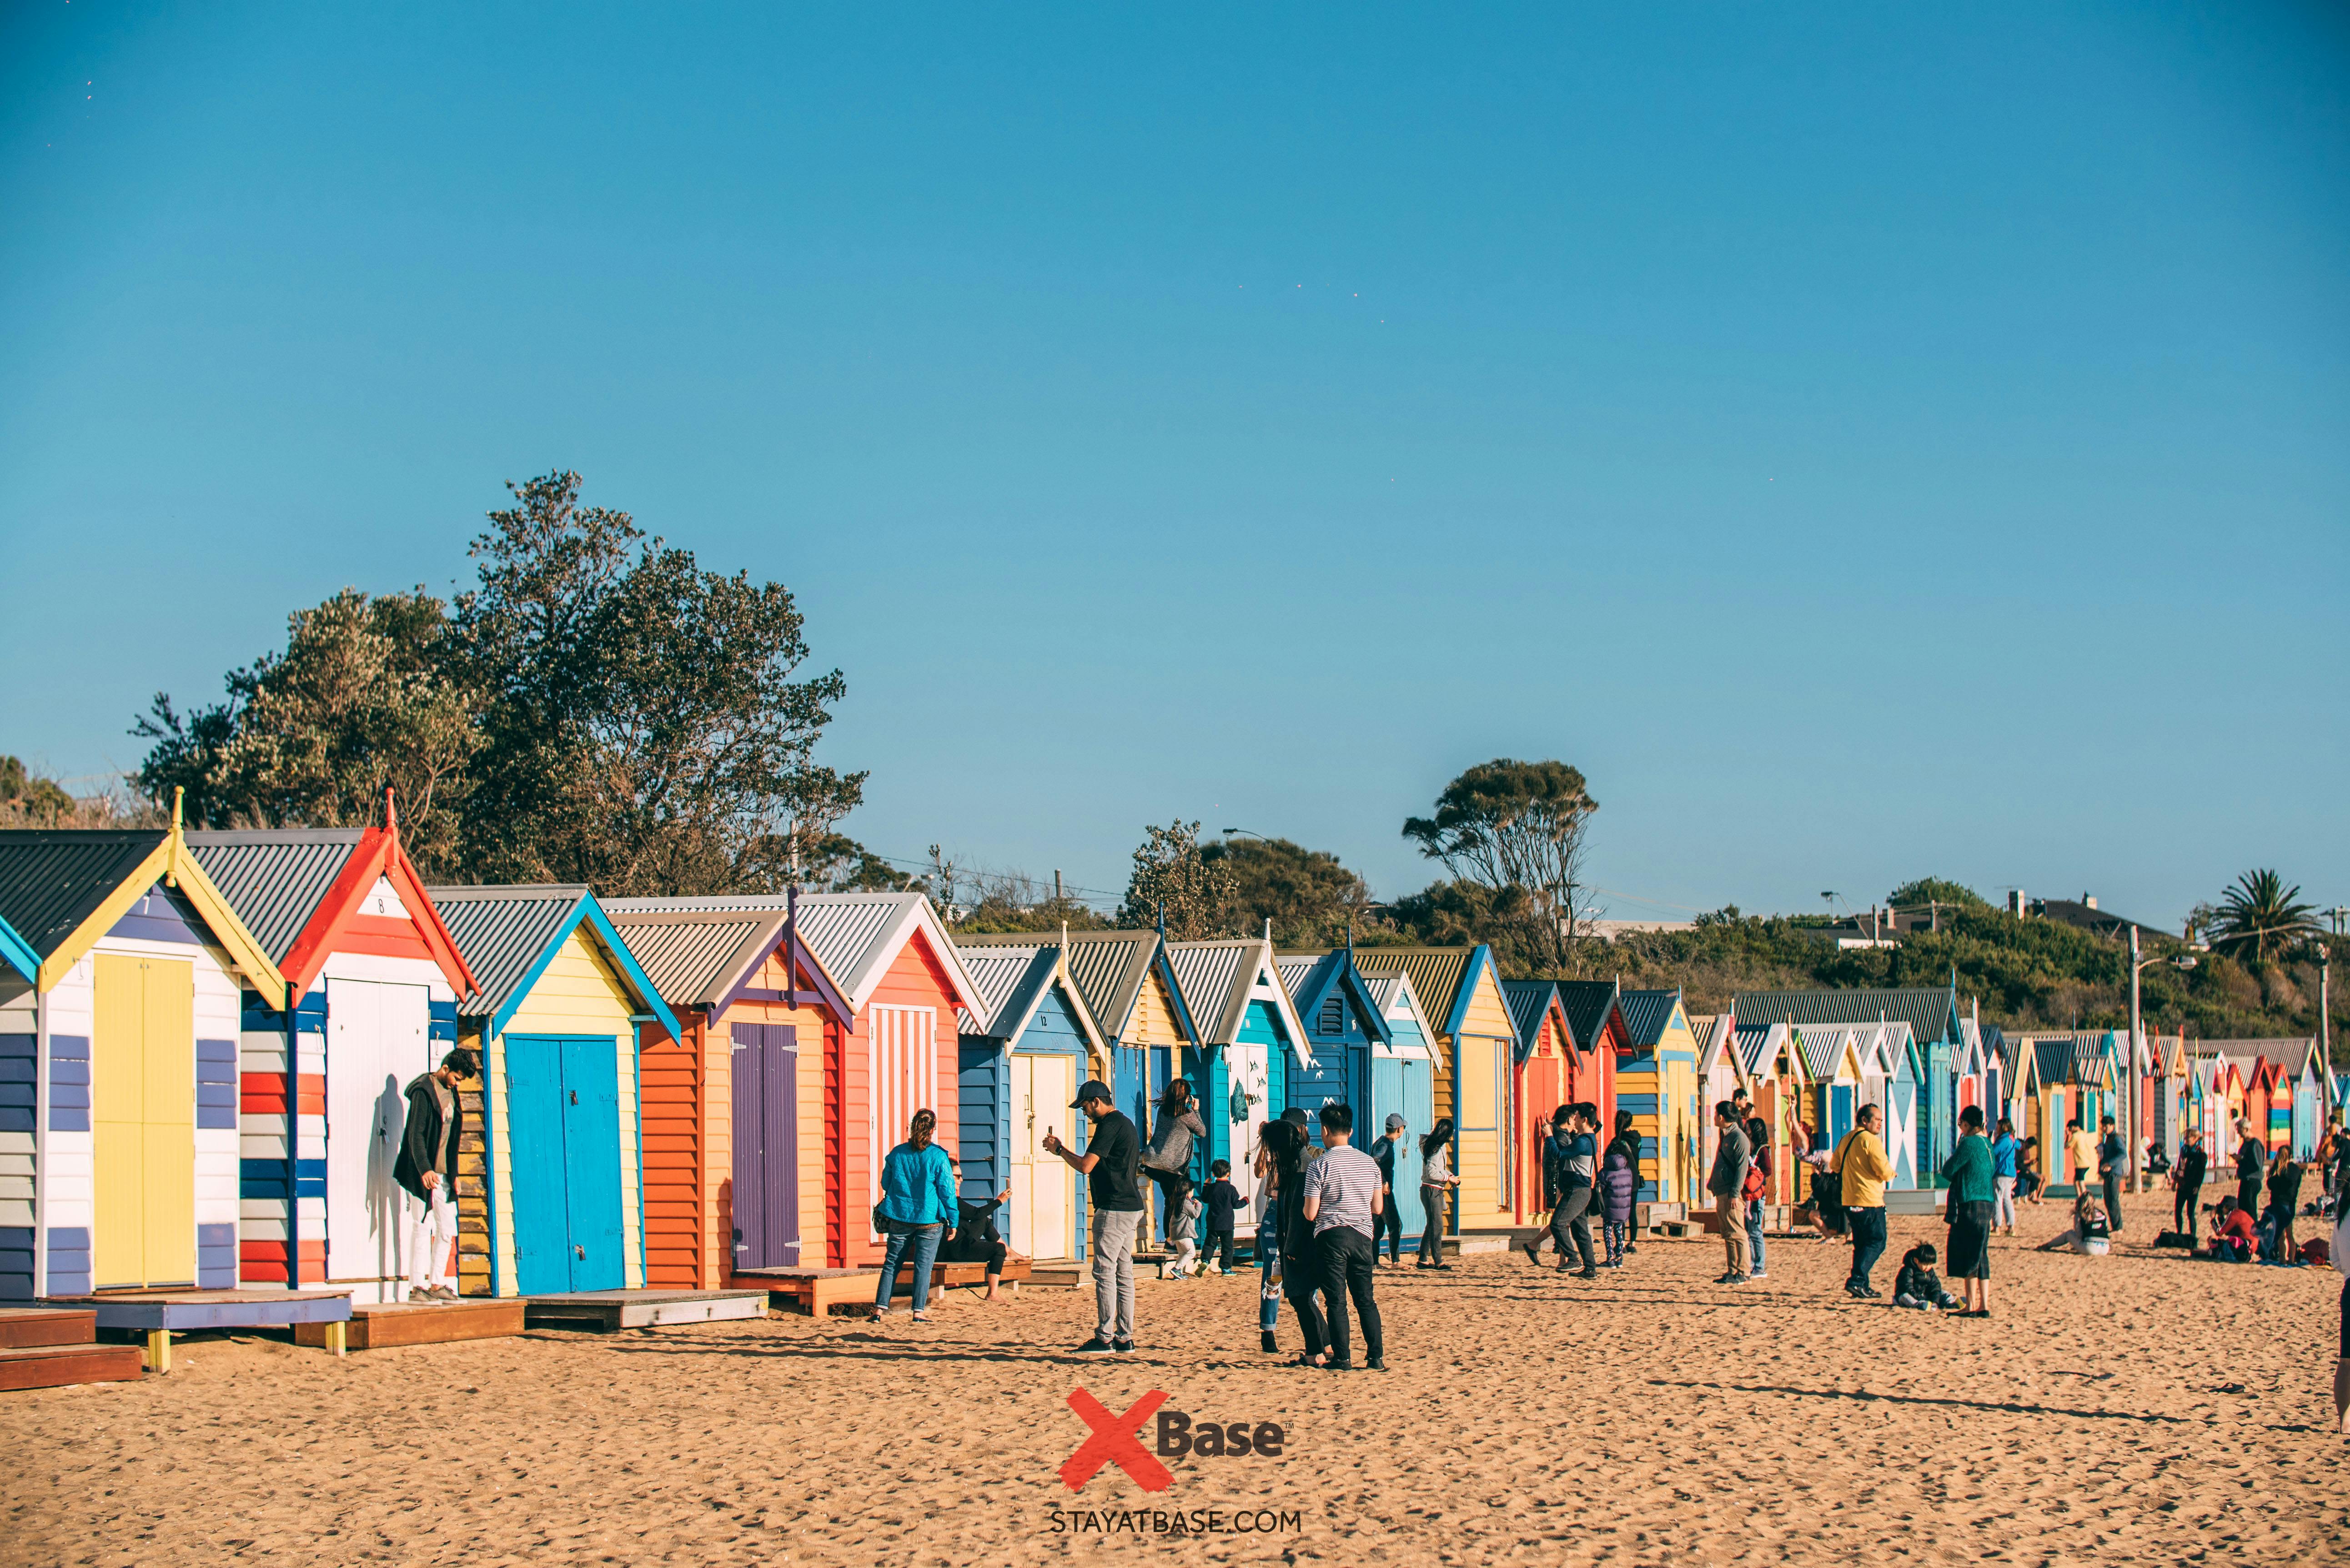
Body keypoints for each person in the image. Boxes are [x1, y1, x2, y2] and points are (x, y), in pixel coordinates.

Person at [1042, 1079, 1143, 1355]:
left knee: (1105, 1273)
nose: (1084, 1112)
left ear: (1097, 1101)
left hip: (1114, 1208)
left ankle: (1105, 1337)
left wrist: (1059, 1150)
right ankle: (1125, 1338)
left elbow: (1086, 1166)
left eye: (1085, 1107)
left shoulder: (1109, 1126)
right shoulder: (1126, 1124)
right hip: (1132, 1206)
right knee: (1124, 1274)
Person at [1299, 1102, 1386, 1371]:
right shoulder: (1369, 1163)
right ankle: (1375, 1358)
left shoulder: (1319, 1165)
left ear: (1325, 1130)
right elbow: (1377, 1208)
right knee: (1366, 1300)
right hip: (1362, 1238)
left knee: (1336, 1300)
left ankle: (1343, 1358)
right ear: (1350, 1130)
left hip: (1331, 1238)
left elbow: (1311, 1213)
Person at [392, 1048, 477, 1303]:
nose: (458, 1083)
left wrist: (455, 1174)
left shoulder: (452, 1093)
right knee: (422, 1227)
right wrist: (425, 1169)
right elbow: (415, 1135)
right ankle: (417, 1286)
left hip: (443, 1176)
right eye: (457, 1078)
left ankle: (437, 1282)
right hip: (422, 1173)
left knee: (446, 1228)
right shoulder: (423, 1091)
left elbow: (451, 1138)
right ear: (445, 1068)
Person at [872, 1109, 957, 1323]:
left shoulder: (897, 1153)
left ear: (912, 1126)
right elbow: (947, 1191)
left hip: (900, 1215)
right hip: (930, 1218)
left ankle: (879, 1312)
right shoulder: (938, 1156)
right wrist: (953, 1220)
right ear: (933, 1129)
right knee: (923, 1266)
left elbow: (885, 1183)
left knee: (892, 1264)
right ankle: (918, 1312)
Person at [1833, 1104, 1894, 1298]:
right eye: (1876, 1120)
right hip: (1870, 1200)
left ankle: (1861, 1285)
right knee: (1877, 1241)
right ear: (1864, 1121)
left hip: (1850, 1199)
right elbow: (1884, 1172)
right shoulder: (1871, 1141)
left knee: (1861, 1243)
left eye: (1881, 1120)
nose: (1880, 1124)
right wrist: (1891, 1173)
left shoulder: (1846, 1139)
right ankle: (1857, 1279)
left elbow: (1834, 1165)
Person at [1940, 1103, 1995, 1317]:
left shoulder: (1970, 1143)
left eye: (1961, 1124)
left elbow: (1948, 1170)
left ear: (1967, 1124)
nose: (1960, 1128)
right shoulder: (1988, 1144)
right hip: (1988, 1201)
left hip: (1970, 1201)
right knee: (1982, 1253)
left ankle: (1971, 1305)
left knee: (1970, 1252)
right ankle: (1985, 1305)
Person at [1531, 1105, 1597, 1277]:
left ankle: (1574, 1259)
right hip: (1581, 1190)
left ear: (1585, 1120)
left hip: (1577, 1191)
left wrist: (1550, 1136)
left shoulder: (1583, 1142)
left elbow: (1558, 1155)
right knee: (1580, 1231)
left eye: (1577, 1117)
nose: (1573, 1120)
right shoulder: (1588, 1138)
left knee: (1557, 1224)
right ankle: (1590, 1269)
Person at [1251, 1120, 1300, 1352]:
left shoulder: (1297, 1154)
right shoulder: (1272, 1155)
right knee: (1273, 1274)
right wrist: (1264, 1145)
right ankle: (1268, 1330)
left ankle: (1315, 1331)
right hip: (1274, 1209)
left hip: (1291, 1209)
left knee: (1301, 1271)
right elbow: (1258, 1171)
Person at [1140, 1079, 1206, 1251]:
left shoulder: (1163, 1111)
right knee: (1177, 1203)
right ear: (1186, 1097)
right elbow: (1202, 1131)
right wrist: (1196, 1109)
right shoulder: (1187, 1115)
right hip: (1175, 1168)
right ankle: (1173, 1241)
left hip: (1156, 1164)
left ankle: (1170, 1239)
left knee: (1171, 1201)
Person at [938, 1158, 1011, 1303]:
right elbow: (975, 1213)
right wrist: (999, 1201)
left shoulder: (948, 1197)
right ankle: (992, 1293)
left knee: (983, 1221)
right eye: (957, 1176)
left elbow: (978, 1216)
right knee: (998, 1249)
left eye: (961, 1176)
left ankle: (1010, 1252)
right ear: (946, 1176)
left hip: (959, 1243)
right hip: (955, 1250)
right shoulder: (950, 1200)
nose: (961, 1180)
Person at [1707, 1101, 1752, 1285]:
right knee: (1727, 1233)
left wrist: (1735, 1193)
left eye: (1716, 1114)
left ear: (1721, 1117)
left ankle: (1744, 1272)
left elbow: (1743, 1169)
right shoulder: (1725, 1135)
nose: (1715, 1117)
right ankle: (1733, 1270)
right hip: (1722, 1191)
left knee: (1737, 1232)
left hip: (1732, 1194)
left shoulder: (1739, 1138)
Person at [1417, 1117, 1459, 1269]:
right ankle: (1438, 1261)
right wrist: (1449, 1178)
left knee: (1431, 1225)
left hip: (1430, 1189)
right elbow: (1432, 1172)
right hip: (1432, 1189)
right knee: (1438, 1227)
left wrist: (1451, 1177)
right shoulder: (1437, 1148)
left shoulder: (1432, 1146)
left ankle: (1422, 1259)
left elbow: (1437, 1170)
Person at [1597, 1126, 1638, 1268]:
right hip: (1624, 1208)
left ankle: (1610, 1257)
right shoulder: (1627, 1171)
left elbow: (1601, 1187)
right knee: (1619, 1231)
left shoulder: (1606, 1171)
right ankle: (1619, 1258)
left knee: (1608, 1231)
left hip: (1609, 1207)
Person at [1371, 1114, 1408, 1265]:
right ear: (1399, 1129)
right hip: (1383, 1193)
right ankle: (1396, 1261)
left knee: (1377, 1228)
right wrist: (1384, 1181)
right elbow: (1373, 1162)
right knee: (1396, 1225)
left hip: (1376, 1192)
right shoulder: (1385, 1146)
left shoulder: (1381, 1142)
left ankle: (1374, 1261)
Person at [2329, 1175, 2350, 1433]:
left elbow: (2334, 1259)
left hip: (2349, 1288)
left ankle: (2345, 1418)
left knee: (2346, 1361)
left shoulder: (2341, 1219)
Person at [1607, 1108, 1644, 1257]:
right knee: (1632, 1211)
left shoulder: (1618, 1141)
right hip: (1635, 1178)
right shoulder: (1637, 1138)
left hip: (1622, 1179)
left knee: (1621, 1212)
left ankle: (1620, 1242)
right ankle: (1633, 1243)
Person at [1199, 1159, 1242, 1276]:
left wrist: (1206, 1185)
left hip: (1213, 1222)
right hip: (1227, 1224)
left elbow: (1205, 1199)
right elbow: (1236, 1205)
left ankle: (1205, 1260)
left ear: (1213, 1174)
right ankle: (1226, 1269)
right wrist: (1246, 1201)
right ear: (1229, 1174)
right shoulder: (1231, 1189)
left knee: (1210, 1244)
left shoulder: (1212, 1188)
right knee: (1227, 1247)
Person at [1743, 1115, 1773, 1282]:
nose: (1747, 1131)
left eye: (1749, 1128)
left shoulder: (1762, 1149)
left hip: (1757, 1195)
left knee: (1756, 1231)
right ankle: (1752, 1263)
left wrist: (1756, 1173)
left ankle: (1760, 1266)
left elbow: (1768, 1170)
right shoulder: (1751, 1148)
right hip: (1748, 1194)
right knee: (1749, 1231)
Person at [1893, 1243, 1962, 1310]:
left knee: (1943, 1293)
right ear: (1916, 1260)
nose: (1928, 1267)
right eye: (1925, 1264)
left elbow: (1935, 1286)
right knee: (1906, 1297)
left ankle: (1952, 1303)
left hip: (1924, 1295)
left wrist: (1935, 1301)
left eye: (1930, 1264)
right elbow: (1908, 1288)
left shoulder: (1930, 1271)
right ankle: (1920, 1305)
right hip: (1907, 1296)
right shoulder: (1908, 1270)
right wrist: (1921, 1299)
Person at [2172, 1127, 2208, 1245]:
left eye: (2188, 1138)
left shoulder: (2201, 1154)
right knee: (2178, 1211)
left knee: (2190, 1213)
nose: (2186, 1140)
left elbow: (2201, 1173)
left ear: (2195, 1139)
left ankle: (2193, 1236)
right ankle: (2179, 1234)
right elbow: (2180, 1166)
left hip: (2192, 1186)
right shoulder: (2184, 1150)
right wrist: (2175, 1181)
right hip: (2182, 1185)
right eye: (2185, 1137)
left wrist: (2197, 1187)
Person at [2267, 1155, 2306, 1260]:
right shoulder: (2295, 1169)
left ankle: (2283, 1260)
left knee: (2281, 1235)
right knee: (2289, 1235)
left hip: (2280, 1204)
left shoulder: (2281, 1170)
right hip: (2290, 1204)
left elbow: (2271, 1184)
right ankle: (2291, 1260)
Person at [1989, 1117, 2019, 1236]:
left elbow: (1993, 1151)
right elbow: (2019, 1145)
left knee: (1998, 1199)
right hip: (2011, 1172)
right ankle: (2011, 1226)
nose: (1997, 1129)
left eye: (1998, 1127)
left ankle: (1997, 1226)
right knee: (2007, 1199)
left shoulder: (2004, 1140)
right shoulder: (2012, 1139)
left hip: (2002, 1172)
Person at [2097, 1115, 2126, 1233]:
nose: (2104, 1128)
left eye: (2106, 1126)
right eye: (2103, 1126)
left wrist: (2110, 1164)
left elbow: (2123, 1154)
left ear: (2112, 1126)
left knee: (2113, 1200)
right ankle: (2114, 1226)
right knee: (2108, 1200)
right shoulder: (2108, 1139)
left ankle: (2118, 1227)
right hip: (2107, 1174)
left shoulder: (2116, 1138)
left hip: (2114, 1174)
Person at [2206, 1195, 2256, 1262]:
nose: (2221, 1209)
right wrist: (2220, 1217)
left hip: (2244, 1249)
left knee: (2213, 1239)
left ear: (2228, 1207)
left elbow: (2219, 1233)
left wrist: (2213, 1219)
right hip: (2249, 1247)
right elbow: (2227, 1231)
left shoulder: (2233, 1216)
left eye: (2223, 1207)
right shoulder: (2239, 1213)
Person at [2235, 1121, 2267, 1220]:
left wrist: (2242, 1159)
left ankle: (2253, 1233)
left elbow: (2257, 1165)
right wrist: (2239, 1160)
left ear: (2246, 1129)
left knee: (2250, 1211)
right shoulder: (2245, 1144)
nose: (2238, 1133)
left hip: (2252, 1181)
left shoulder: (2255, 1144)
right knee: (2242, 1209)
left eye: (2240, 1130)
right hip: (2245, 1180)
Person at [2064, 1119, 2097, 1201]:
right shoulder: (2084, 1134)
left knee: (2081, 1182)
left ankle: (2086, 1199)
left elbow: (2067, 1146)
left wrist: (2067, 1136)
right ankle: (2080, 1197)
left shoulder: (2075, 1136)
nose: (2070, 1131)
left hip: (2080, 1163)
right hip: (2087, 1161)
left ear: (2072, 1127)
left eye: (2070, 1129)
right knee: (2076, 1180)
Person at [2016, 1136, 2044, 1206]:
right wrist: (2029, 1164)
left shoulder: (2025, 1149)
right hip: (2021, 1171)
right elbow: (2020, 1164)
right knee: (2035, 1179)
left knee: (2039, 1179)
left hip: (2024, 1170)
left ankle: (2035, 1196)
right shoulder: (2021, 1151)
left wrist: (2031, 1162)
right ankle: (2032, 1197)